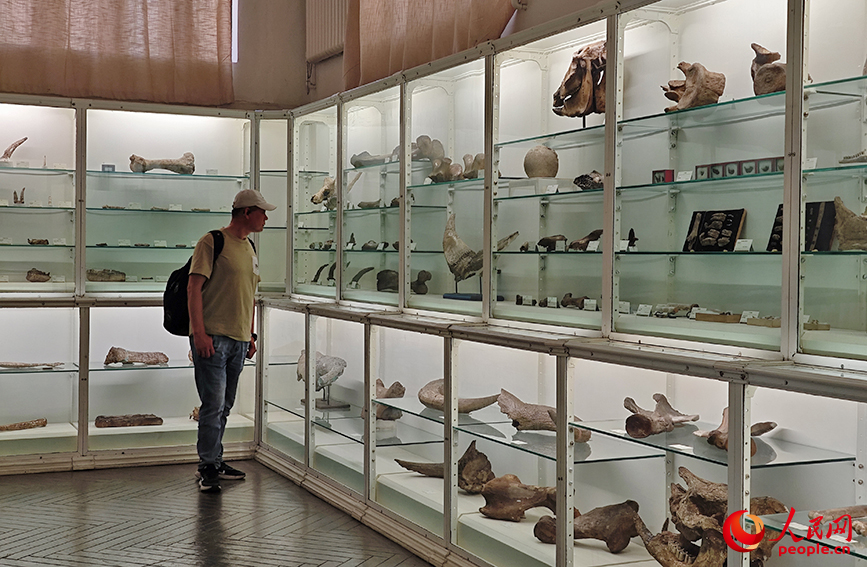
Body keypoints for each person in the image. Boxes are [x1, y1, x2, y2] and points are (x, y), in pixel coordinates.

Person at [188, 188, 276, 492]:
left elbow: (249, 294)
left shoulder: (249, 246)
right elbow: (193, 288)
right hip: (213, 338)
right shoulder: (212, 241)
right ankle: (207, 465)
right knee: (212, 405)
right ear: (246, 212)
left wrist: (250, 334)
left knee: (224, 405)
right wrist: (199, 333)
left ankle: (215, 458)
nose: (266, 218)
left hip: (238, 339)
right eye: (262, 213)